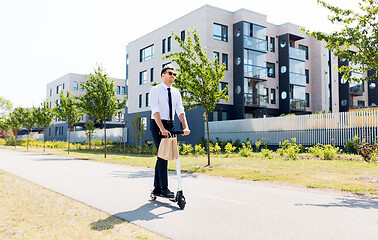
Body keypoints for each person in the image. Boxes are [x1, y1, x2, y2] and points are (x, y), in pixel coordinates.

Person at [149, 66, 190, 198]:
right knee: (163, 156)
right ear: (163, 75)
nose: (173, 76)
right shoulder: (155, 90)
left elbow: (180, 111)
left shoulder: (176, 92)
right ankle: (163, 188)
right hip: (158, 124)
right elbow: (155, 111)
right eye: (170, 73)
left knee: (163, 155)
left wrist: (185, 127)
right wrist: (161, 128)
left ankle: (156, 188)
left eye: (174, 74)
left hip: (170, 125)